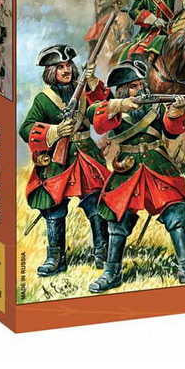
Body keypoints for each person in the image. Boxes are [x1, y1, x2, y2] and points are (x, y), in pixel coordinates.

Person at [87, 60, 185, 292]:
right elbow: (98, 121)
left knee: (176, 213)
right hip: (128, 168)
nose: (140, 90)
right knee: (118, 219)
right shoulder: (112, 107)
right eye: (133, 86)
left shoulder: (155, 106)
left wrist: (175, 112)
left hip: (157, 165)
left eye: (140, 85)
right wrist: (119, 105)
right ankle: (111, 272)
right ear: (123, 90)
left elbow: (172, 132)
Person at [18, 45, 111, 276]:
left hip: (86, 155)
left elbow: (105, 108)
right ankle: (55, 258)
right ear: (51, 71)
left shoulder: (84, 90)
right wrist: (55, 131)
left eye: (68, 65)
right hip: (58, 161)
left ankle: (103, 253)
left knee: (96, 203)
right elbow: (26, 129)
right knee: (53, 208)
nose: (66, 70)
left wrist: (92, 81)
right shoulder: (44, 100)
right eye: (60, 67)